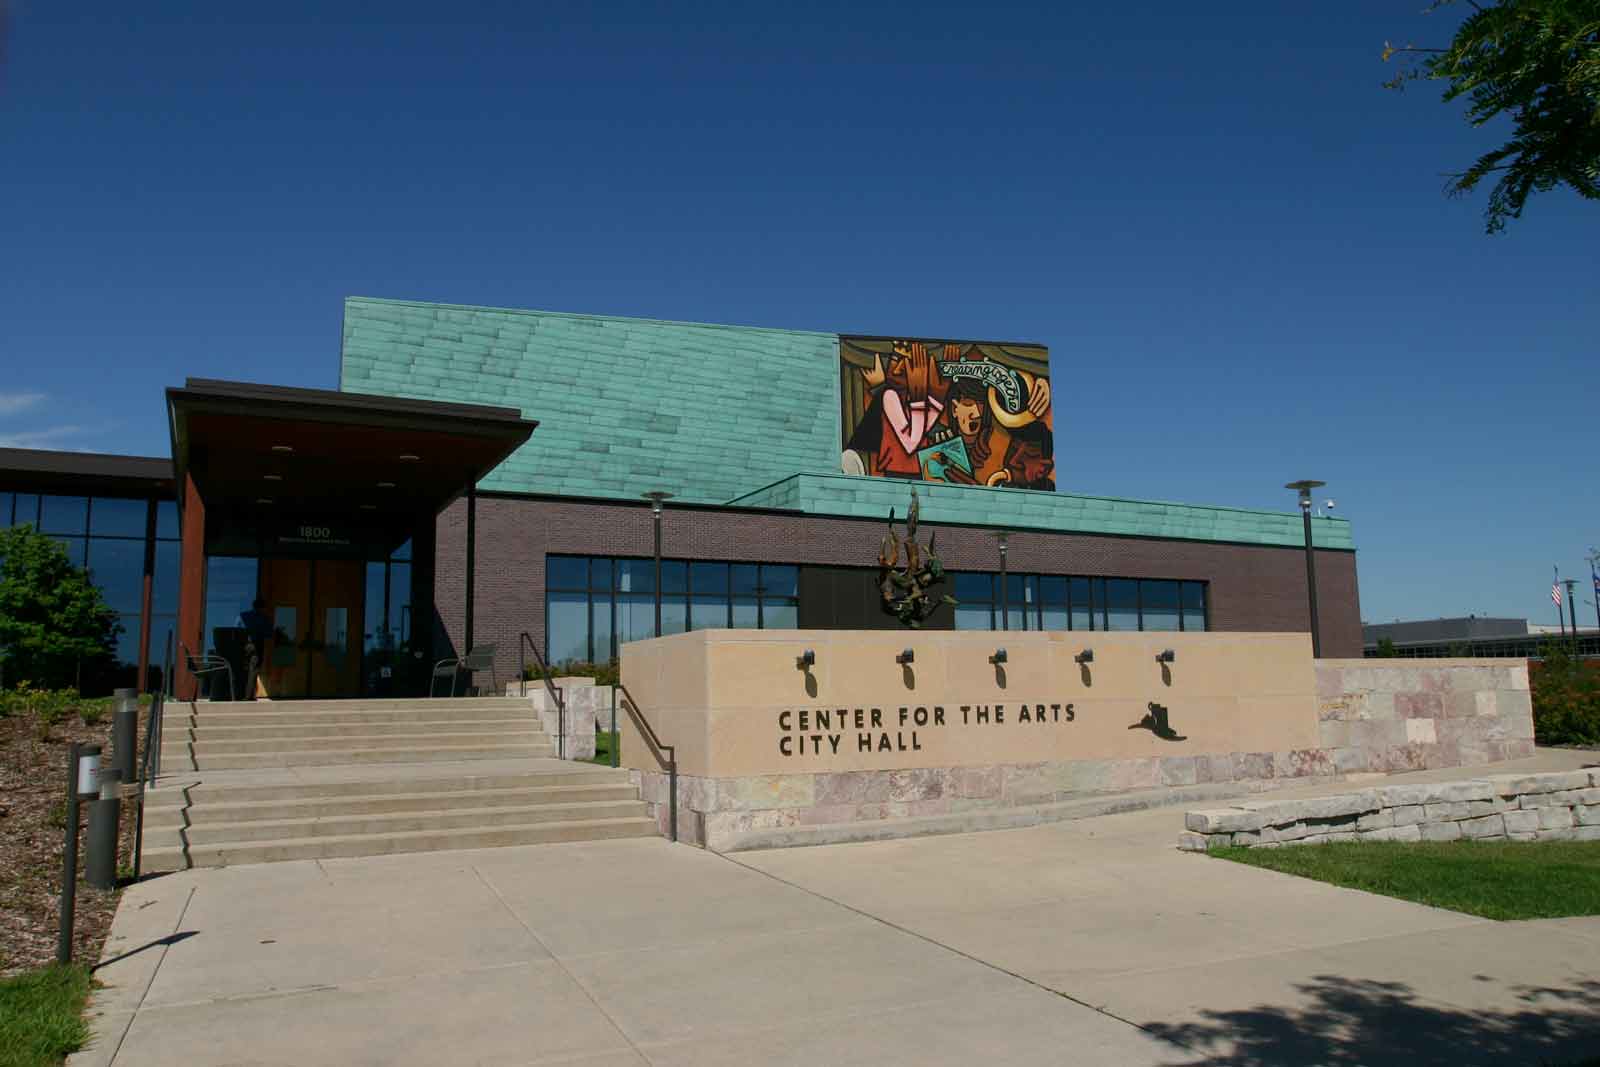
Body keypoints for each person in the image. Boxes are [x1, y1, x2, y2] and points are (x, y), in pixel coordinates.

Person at [238, 598, 273, 701]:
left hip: (243, 647)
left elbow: (237, 629)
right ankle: (248, 696)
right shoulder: (264, 618)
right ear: (262, 608)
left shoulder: (242, 616)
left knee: (243, 670)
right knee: (253, 672)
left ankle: (242, 693)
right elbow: (269, 634)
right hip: (257, 647)